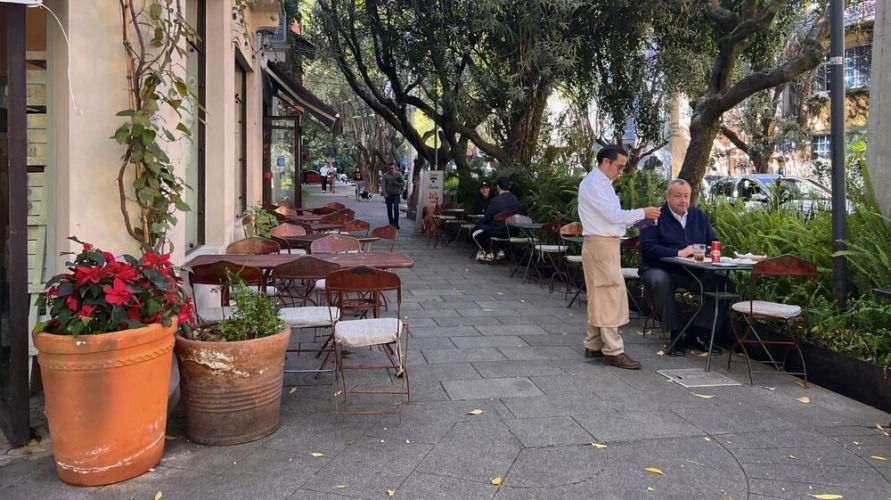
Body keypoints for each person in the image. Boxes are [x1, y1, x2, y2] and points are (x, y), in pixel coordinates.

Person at [578, 145, 661, 370]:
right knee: (609, 295)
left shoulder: (600, 183)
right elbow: (612, 215)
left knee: (601, 294)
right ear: (606, 162)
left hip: (603, 243)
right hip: (601, 244)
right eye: (619, 166)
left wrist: (637, 219)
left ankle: (594, 343)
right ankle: (613, 350)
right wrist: (642, 213)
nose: (621, 171)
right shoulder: (595, 183)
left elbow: (612, 218)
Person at [639, 179, 735, 357]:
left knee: (725, 285)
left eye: (686, 196)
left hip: (691, 271)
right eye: (678, 196)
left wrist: (708, 251)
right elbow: (647, 248)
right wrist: (678, 252)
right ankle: (674, 334)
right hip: (657, 268)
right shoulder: (652, 216)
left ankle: (698, 333)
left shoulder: (698, 215)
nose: (683, 200)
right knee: (661, 282)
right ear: (668, 196)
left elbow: (713, 241)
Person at [472, 177, 520, 261]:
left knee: (477, 230)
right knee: (494, 227)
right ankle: (499, 250)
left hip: (499, 231)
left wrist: (478, 222)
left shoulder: (495, 201)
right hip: (513, 231)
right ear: (508, 186)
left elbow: (486, 218)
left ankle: (488, 251)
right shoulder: (515, 199)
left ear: (498, 187)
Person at [381, 162, 405, 229]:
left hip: (396, 194)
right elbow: (383, 185)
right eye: (390, 168)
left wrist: (396, 183)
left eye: (392, 168)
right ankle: (391, 224)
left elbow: (403, 183)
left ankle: (396, 224)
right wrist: (384, 193)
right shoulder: (385, 175)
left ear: (395, 168)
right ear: (388, 169)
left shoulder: (398, 174)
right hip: (388, 195)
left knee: (396, 209)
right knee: (389, 210)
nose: (391, 170)